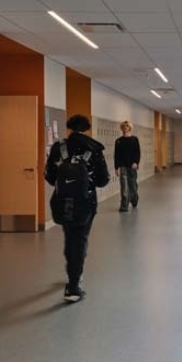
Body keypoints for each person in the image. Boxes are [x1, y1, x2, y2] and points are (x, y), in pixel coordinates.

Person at [45, 114, 110, 303]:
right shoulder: (94, 148)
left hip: (63, 200)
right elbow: (103, 180)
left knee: (70, 236)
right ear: (87, 128)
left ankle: (73, 273)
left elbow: (50, 176)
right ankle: (74, 285)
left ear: (70, 128)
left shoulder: (59, 147)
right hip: (86, 201)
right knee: (80, 238)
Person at [114, 120, 141, 212]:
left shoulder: (134, 139)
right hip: (123, 166)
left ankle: (134, 198)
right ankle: (124, 205)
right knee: (124, 186)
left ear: (130, 128)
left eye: (127, 127)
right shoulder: (118, 141)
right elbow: (116, 155)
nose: (125, 128)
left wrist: (136, 162)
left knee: (132, 185)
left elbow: (137, 152)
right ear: (122, 128)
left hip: (132, 166)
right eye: (124, 127)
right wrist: (116, 167)